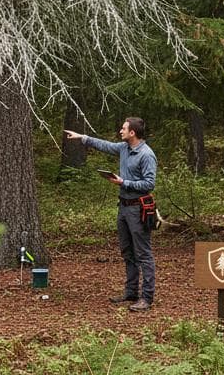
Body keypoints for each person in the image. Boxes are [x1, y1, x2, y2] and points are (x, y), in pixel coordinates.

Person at [64, 117, 157, 311]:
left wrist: (124, 182)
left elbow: (149, 184)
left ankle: (147, 297)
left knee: (143, 254)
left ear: (132, 133)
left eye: (123, 128)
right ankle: (131, 292)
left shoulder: (146, 155)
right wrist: (83, 137)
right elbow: (105, 145)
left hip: (138, 209)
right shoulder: (123, 148)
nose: (120, 131)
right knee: (127, 251)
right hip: (123, 208)